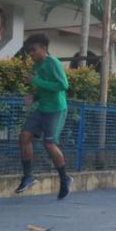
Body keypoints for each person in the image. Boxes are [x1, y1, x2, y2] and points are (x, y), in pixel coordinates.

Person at [15, 33, 72, 199]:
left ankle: (65, 179)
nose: (30, 54)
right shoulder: (35, 67)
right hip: (42, 108)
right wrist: (34, 96)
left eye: (33, 50)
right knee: (24, 136)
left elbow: (63, 85)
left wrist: (36, 81)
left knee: (49, 144)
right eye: (28, 51)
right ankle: (28, 176)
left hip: (56, 109)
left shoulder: (53, 63)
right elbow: (41, 89)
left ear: (43, 49)